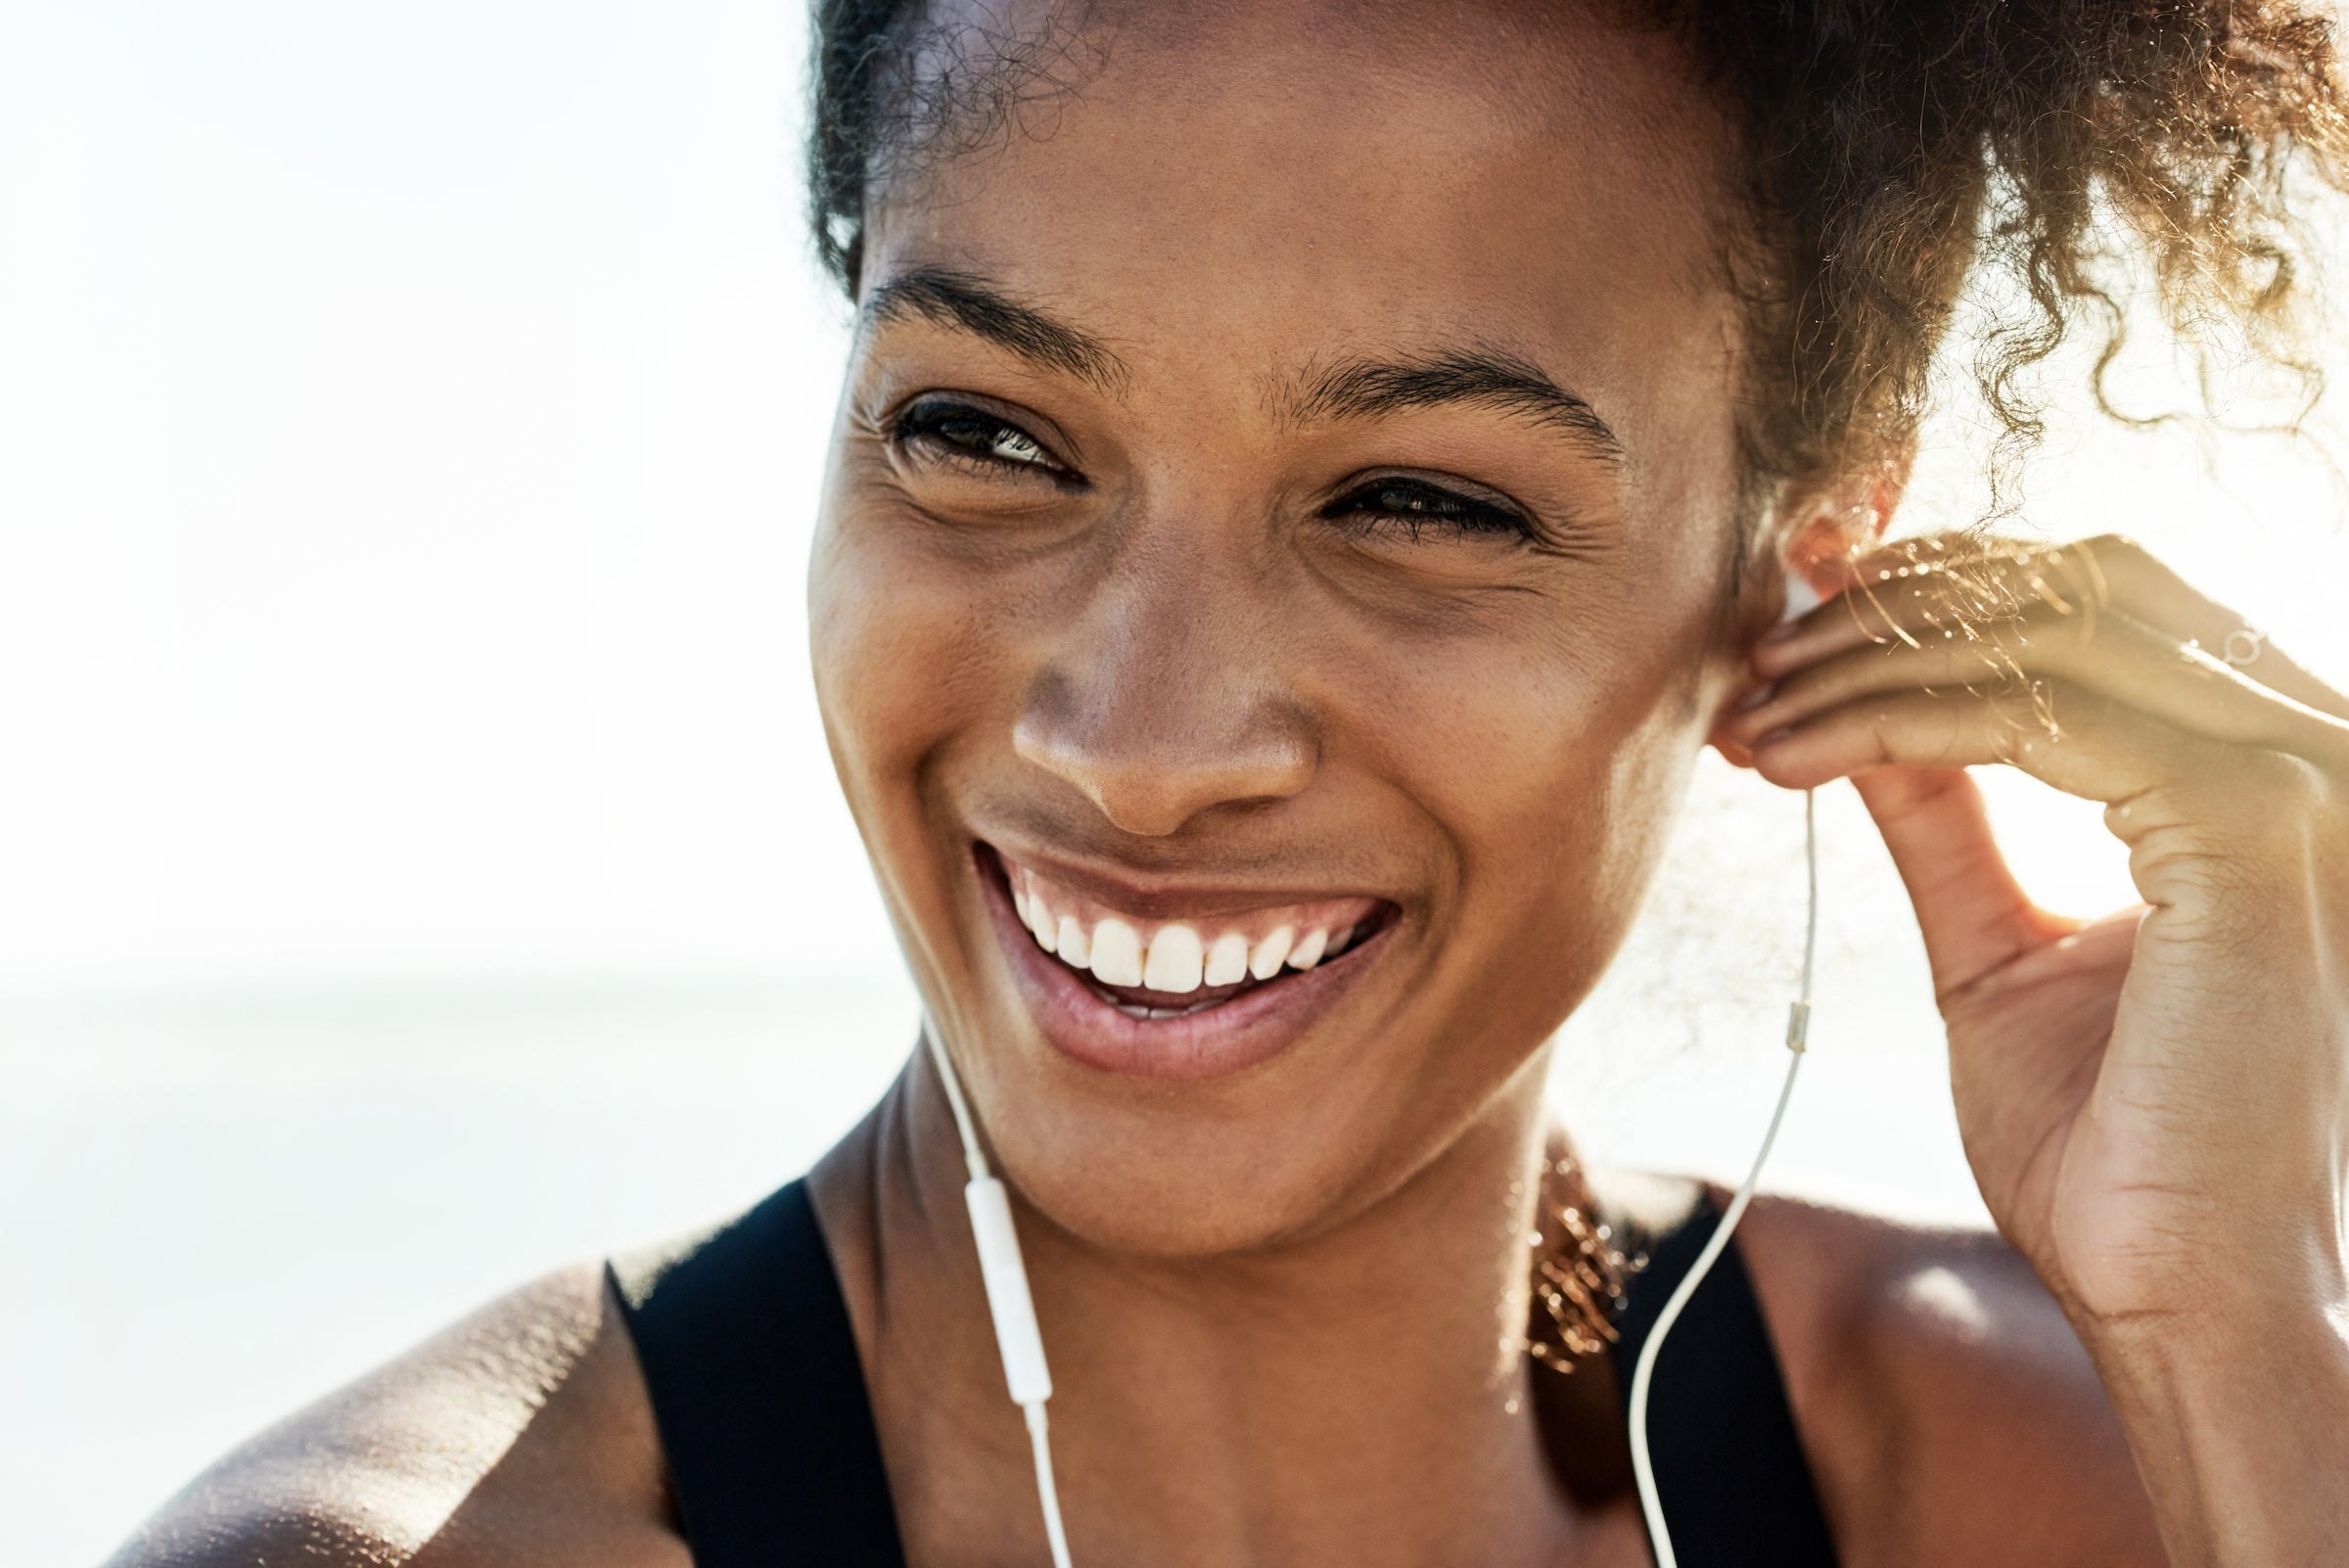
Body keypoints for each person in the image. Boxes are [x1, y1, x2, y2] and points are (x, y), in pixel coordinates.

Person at [111, 2, 2349, 1564]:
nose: (1138, 748)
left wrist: (2231, 1332)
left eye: (1422, 502)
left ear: (1809, 561)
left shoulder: (2065, 1472)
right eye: (984, 433)